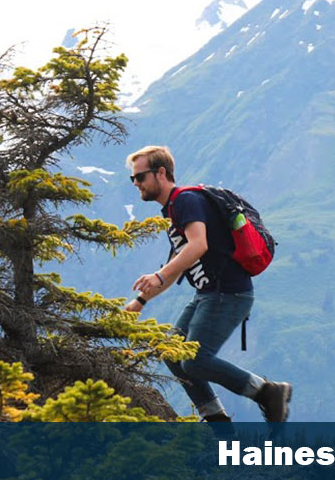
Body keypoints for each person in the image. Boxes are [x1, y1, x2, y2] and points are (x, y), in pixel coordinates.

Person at [123, 145, 292, 422]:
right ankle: (216, 419)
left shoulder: (186, 201)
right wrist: (141, 301)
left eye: (139, 177)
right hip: (208, 293)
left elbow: (197, 246)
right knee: (172, 352)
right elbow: (181, 261)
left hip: (228, 293)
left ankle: (267, 391)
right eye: (133, 179)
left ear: (161, 173)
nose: (136, 184)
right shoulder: (175, 210)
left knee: (195, 360)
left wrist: (158, 276)